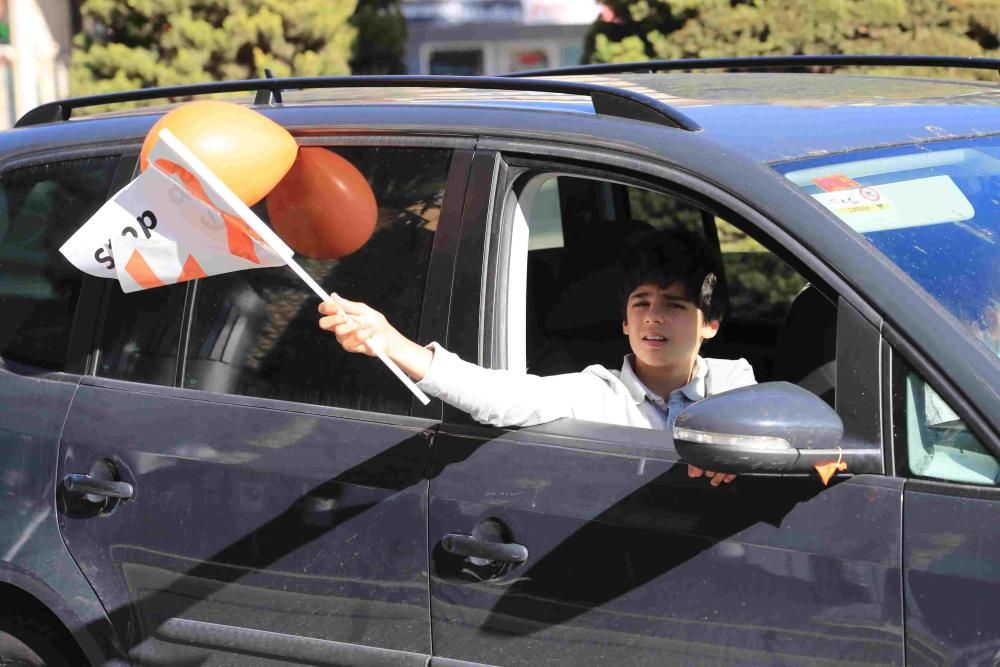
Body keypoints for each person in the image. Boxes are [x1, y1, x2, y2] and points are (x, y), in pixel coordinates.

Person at [318, 230, 756, 486]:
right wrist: (392, 342)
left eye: (675, 306)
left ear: (710, 323)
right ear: (624, 322)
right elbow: (501, 396)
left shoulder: (735, 383)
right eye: (641, 304)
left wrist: (737, 450)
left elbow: (784, 434)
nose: (653, 318)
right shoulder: (596, 392)